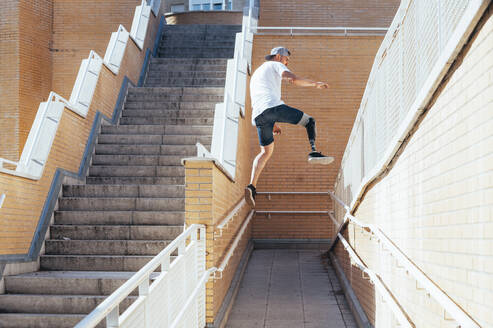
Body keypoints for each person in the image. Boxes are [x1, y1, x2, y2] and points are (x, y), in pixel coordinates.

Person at [245, 46, 334, 207]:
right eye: (287, 59)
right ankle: (314, 152)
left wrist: (273, 124)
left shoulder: (257, 73)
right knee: (309, 121)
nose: (287, 62)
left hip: (259, 116)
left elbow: (262, 102)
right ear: (279, 57)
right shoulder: (276, 65)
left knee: (265, 152)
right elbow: (291, 78)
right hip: (273, 108)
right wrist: (315, 84)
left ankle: (252, 186)